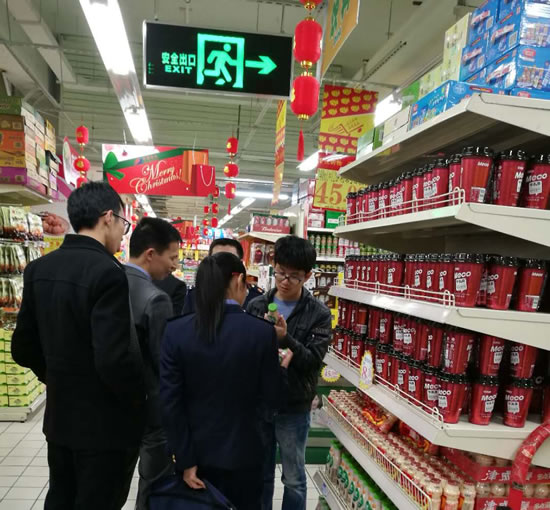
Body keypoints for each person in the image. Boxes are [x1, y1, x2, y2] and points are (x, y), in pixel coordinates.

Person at [11, 182, 146, 510]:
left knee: (61, 496)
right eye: (124, 223)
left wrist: (54, 376)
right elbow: (113, 359)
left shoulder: (39, 269)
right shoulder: (108, 272)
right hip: (104, 426)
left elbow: (22, 348)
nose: (122, 233)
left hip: (60, 420)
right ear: (108, 217)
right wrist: (139, 401)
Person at [160, 252, 292, 510]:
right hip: (244, 454)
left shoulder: (176, 331)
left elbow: (170, 403)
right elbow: (274, 398)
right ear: (238, 280)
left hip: (195, 455)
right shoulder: (261, 333)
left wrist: (185, 460)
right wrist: (282, 370)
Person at [247, 235, 332, 510]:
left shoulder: (319, 313)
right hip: (260, 404)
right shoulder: (257, 305)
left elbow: (313, 361)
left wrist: (286, 339)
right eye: (281, 272)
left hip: (294, 406)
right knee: (260, 474)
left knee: (294, 478)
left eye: (294, 276)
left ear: (308, 276)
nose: (285, 281)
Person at [125, 218, 182, 510]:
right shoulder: (156, 299)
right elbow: (164, 362)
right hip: (150, 408)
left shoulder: (106, 280)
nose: (174, 266)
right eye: (172, 257)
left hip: (112, 406)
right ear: (151, 254)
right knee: (153, 482)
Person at [182, 237, 262, 314]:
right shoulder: (194, 296)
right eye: (216, 259)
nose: (223, 266)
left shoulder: (255, 298)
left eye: (229, 260)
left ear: (241, 263)